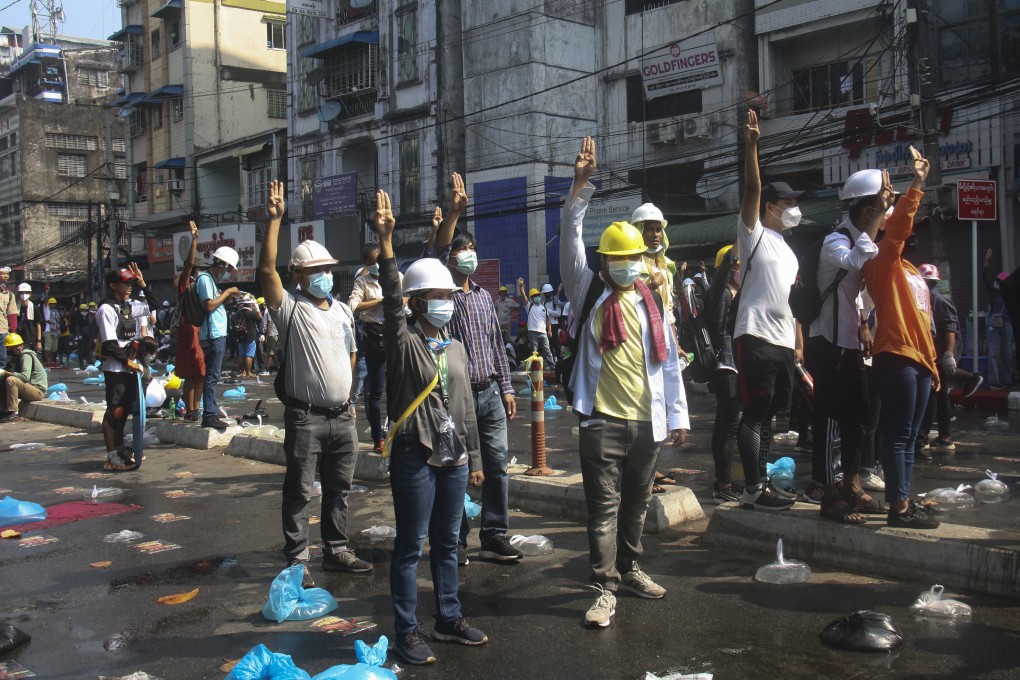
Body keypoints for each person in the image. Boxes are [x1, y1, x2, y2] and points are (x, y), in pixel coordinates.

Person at [560, 137, 689, 628]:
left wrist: (677, 417)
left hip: (647, 424)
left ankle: (631, 569)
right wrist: (579, 186)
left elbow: (669, 363)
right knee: (603, 509)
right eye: (620, 257)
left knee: (637, 504)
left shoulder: (650, 301)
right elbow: (570, 236)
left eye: (634, 257)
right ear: (605, 259)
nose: (629, 264)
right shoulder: (587, 291)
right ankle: (604, 586)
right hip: (602, 422)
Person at [373, 188, 487, 666]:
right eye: (437, 297)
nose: (447, 303)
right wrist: (386, 245)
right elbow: (393, 303)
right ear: (419, 303)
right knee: (409, 547)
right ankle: (407, 629)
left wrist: (476, 460)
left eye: (449, 296)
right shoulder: (404, 345)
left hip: (455, 457)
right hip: (415, 454)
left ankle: (448, 616)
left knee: (447, 543)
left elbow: (465, 412)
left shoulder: (456, 347)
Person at [259, 180, 372, 588]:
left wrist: (352, 398)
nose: (324, 275)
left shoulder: (342, 310)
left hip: (343, 417)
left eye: (327, 269)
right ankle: (297, 559)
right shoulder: (289, 308)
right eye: (316, 271)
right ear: (299, 275)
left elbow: (352, 352)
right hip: (306, 417)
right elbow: (265, 271)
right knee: (301, 490)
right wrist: (274, 222)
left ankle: (337, 548)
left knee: (340, 488)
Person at [430, 172, 520, 566]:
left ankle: (494, 532)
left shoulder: (484, 296)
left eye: (472, 248)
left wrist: (508, 387)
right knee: (458, 466)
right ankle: (456, 538)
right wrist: (453, 213)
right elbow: (436, 253)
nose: (469, 253)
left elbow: (497, 345)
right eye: (462, 249)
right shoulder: (443, 296)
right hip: (457, 397)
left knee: (497, 466)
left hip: (490, 394)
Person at [862, 145, 941, 529]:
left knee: (910, 438)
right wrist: (917, 186)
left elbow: (925, 323)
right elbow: (897, 228)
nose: (911, 234)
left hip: (921, 361)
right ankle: (897, 506)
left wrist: (935, 367)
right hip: (895, 356)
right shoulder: (881, 260)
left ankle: (904, 501)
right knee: (897, 434)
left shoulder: (910, 269)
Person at [806, 168, 889, 524]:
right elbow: (857, 260)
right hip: (826, 341)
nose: (887, 210)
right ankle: (827, 493)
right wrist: (877, 221)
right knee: (828, 417)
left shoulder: (864, 233)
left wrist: (865, 324)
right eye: (882, 204)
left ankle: (851, 481)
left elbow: (858, 292)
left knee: (859, 413)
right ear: (867, 211)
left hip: (851, 341)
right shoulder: (836, 240)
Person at [733, 109, 802, 511]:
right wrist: (753, 146)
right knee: (754, 413)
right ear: (771, 207)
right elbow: (752, 190)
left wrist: (797, 344)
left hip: (780, 341)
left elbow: (790, 303)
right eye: (788, 202)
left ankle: (763, 485)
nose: (793, 208)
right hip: (754, 334)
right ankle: (753, 489)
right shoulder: (752, 233)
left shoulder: (790, 251)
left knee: (772, 415)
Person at [917, 264, 983, 453]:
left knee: (934, 394)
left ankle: (923, 440)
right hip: (934, 352)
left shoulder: (938, 301)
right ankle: (944, 436)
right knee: (940, 394)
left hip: (941, 352)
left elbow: (950, 329)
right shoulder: (926, 299)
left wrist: (948, 354)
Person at [97, 265, 152, 471]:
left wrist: (143, 285)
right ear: (113, 285)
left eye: (131, 282)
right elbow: (110, 344)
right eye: (125, 282)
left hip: (131, 369)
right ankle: (112, 455)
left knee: (127, 410)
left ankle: (121, 449)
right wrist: (129, 363)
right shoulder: (106, 309)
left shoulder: (128, 306)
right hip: (116, 368)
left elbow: (152, 306)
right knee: (115, 412)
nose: (129, 286)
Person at [705, 244, 742, 503]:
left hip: (734, 365)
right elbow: (720, 277)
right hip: (724, 364)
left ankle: (722, 481)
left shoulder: (739, 292)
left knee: (723, 425)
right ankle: (724, 483)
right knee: (729, 427)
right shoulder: (721, 293)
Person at [348, 244, 389, 453]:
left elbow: (407, 300)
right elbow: (352, 305)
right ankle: (378, 437)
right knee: (375, 392)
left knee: (399, 389)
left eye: (381, 261)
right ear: (367, 263)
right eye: (374, 262)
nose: (379, 266)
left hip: (394, 332)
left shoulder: (395, 276)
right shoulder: (362, 282)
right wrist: (378, 301)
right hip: (373, 336)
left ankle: (396, 433)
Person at [195, 245, 240, 429]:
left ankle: (211, 413)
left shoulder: (210, 281)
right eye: (229, 268)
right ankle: (210, 415)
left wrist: (226, 298)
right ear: (221, 264)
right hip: (212, 335)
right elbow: (209, 306)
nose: (229, 273)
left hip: (217, 334)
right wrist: (227, 293)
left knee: (213, 376)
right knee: (211, 376)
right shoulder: (205, 279)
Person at [174, 221, 206, 422]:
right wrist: (194, 241)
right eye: (198, 268)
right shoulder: (185, 285)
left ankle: (196, 408)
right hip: (189, 330)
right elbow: (188, 265)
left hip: (201, 331)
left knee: (200, 372)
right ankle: (191, 409)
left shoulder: (204, 286)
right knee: (190, 372)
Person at [983, 248, 1014, 388]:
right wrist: (986, 262)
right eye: (998, 281)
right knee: (994, 352)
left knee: (1007, 352)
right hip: (994, 323)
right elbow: (984, 277)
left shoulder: (1012, 294)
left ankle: (1007, 380)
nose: (1000, 283)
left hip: (1007, 323)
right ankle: (994, 381)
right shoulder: (994, 292)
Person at [0, 333, 46, 422]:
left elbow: (24, 376)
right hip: (28, 388)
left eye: (16, 346)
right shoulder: (16, 358)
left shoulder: (26, 356)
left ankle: (14, 413)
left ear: (21, 346)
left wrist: (5, 373)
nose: (13, 349)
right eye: (11, 347)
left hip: (37, 391)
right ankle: (3, 409)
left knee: (11, 380)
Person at [518, 279, 555, 368]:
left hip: (543, 333)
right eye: (535, 296)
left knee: (547, 350)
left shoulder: (544, 307)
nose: (537, 297)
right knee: (534, 351)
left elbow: (548, 320)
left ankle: (553, 366)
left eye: (538, 295)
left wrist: (549, 330)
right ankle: (535, 368)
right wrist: (521, 286)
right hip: (533, 332)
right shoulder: (529, 306)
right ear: (531, 298)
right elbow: (523, 296)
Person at [234, 293, 262, 379]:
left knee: (241, 354)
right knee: (249, 354)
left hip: (240, 335)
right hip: (250, 336)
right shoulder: (252, 313)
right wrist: (257, 309)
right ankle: (249, 372)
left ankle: (243, 372)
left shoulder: (238, 313)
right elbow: (260, 319)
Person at [16, 283, 42, 356]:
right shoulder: (16, 307)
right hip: (19, 338)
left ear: (30, 294)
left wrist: (39, 341)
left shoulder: (34, 307)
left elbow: (38, 324)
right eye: (22, 293)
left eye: (26, 292)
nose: (24, 295)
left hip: (31, 339)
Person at [0, 267, 17, 371]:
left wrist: (13, 331)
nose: (6, 276)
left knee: (3, 359)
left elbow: (12, 314)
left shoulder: (9, 294)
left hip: (3, 331)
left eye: (7, 274)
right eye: (2, 273)